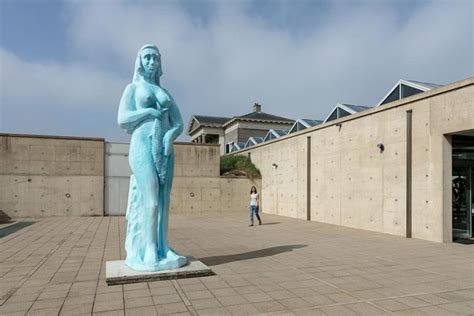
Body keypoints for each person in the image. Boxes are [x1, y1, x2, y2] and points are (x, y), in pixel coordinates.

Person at [117, 44, 187, 271]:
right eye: (147, 57)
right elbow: (122, 119)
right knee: (152, 199)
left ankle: (163, 246)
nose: (151, 62)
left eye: (155, 58)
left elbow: (179, 123)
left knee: (165, 200)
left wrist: (169, 138)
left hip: (164, 148)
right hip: (142, 145)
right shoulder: (132, 88)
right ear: (140, 61)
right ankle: (148, 248)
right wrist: (147, 112)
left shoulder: (166, 93)